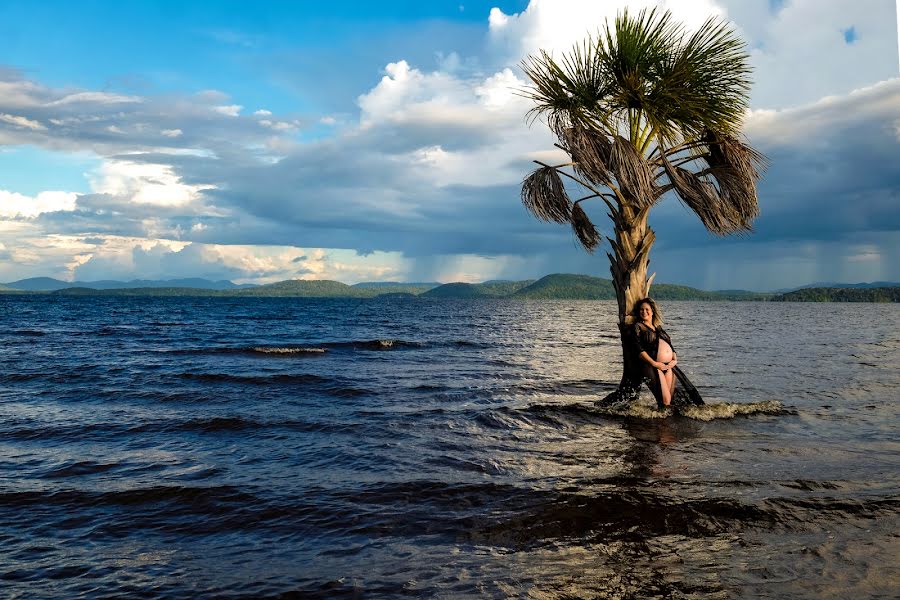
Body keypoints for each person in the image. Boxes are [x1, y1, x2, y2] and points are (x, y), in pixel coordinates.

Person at [629, 297, 678, 408]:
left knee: (668, 401)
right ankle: (658, 423)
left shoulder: (658, 328)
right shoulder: (638, 327)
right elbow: (638, 349)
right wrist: (654, 363)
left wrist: (675, 359)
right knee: (665, 400)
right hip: (653, 365)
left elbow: (669, 344)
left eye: (647, 309)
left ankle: (663, 423)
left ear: (652, 311)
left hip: (669, 365)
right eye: (641, 309)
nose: (644, 312)